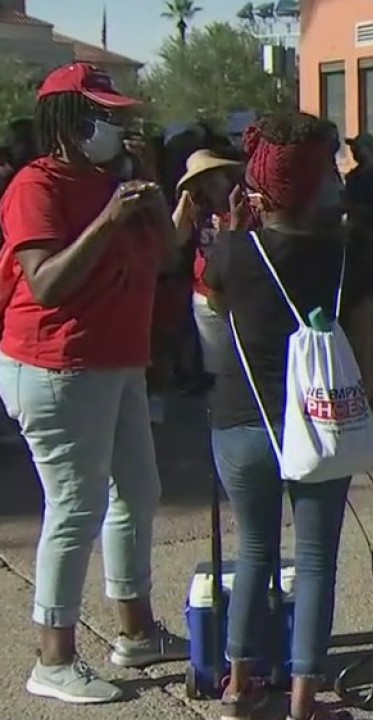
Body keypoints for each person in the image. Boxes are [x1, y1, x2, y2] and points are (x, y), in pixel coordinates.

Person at [0, 62, 184, 704]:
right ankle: (53, 657)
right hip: (57, 364)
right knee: (76, 506)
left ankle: (135, 631)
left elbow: (168, 258)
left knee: (138, 490)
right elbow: (45, 281)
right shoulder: (36, 185)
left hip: (117, 360)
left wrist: (152, 192)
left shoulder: (117, 182)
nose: (118, 126)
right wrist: (105, 221)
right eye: (105, 115)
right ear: (70, 121)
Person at [204, 111, 373, 720]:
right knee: (315, 560)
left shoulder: (230, 249)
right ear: (312, 183)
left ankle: (238, 686)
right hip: (318, 422)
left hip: (238, 418)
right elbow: (364, 343)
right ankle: (304, 701)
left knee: (253, 551)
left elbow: (216, 304)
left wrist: (236, 226)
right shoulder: (342, 258)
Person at [172, 149, 244, 384]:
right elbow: (175, 239)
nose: (209, 184)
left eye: (213, 176)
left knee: (242, 362)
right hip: (205, 294)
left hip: (239, 292)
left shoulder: (242, 205)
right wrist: (185, 200)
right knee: (216, 368)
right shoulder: (198, 209)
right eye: (201, 179)